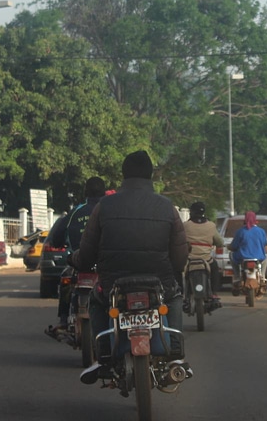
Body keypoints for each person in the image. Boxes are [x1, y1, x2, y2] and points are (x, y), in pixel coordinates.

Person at [70, 150, 189, 384]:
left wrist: (75, 260)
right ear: (151, 175)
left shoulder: (104, 206)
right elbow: (180, 258)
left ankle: (103, 356)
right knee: (174, 296)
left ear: (123, 175)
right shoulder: (167, 207)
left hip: (114, 285)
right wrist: (171, 274)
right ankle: (175, 355)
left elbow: (85, 256)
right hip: (159, 284)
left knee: (96, 299)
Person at [45, 176, 106, 343]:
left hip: (79, 262)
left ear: (85, 192)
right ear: (105, 192)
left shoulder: (76, 212)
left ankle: (63, 321)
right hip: (105, 264)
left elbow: (57, 236)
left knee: (65, 281)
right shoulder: (111, 210)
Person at [182, 201, 223, 305]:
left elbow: (178, 241)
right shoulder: (211, 226)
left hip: (188, 260)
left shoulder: (185, 225)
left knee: (177, 271)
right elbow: (220, 242)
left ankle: (180, 293)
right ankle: (213, 292)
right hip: (206, 260)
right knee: (215, 267)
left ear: (191, 212)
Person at [228, 210, 267, 295]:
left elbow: (234, 246)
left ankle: (237, 277)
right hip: (258, 257)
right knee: (266, 257)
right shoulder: (261, 231)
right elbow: (265, 244)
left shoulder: (240, 231)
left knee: (231, 255)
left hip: (242, 257)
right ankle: (262, 277)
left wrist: (230, 247)